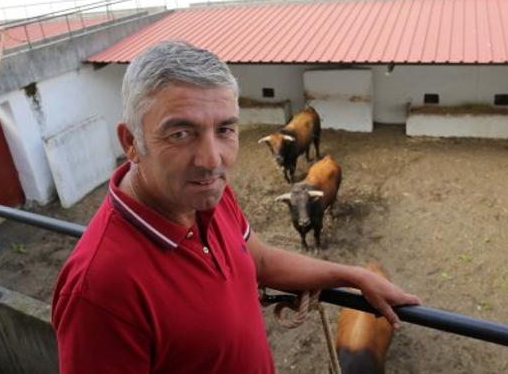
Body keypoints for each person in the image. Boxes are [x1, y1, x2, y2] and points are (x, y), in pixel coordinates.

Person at [51, 40, 420, 373]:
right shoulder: (97, 291)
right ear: (131, 142)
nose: (212, 160)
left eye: (225, 130)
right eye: (181, 133)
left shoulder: (207, 193)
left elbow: (257, 260)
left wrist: (354, 276)